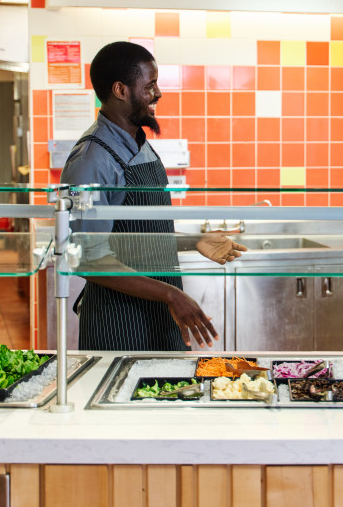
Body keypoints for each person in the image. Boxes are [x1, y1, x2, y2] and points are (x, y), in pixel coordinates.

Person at [61, 41, 246, 351]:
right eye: (150, 85)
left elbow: (134, 236)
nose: (158, 93)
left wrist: (190, 241)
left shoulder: (137, 143)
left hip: (160, 315)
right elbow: (88, 259)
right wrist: (171, 294)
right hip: (119, 323)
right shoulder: (91, 160)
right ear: (121, 90)